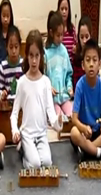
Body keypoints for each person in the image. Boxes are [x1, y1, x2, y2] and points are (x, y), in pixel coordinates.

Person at [11, 30, 63, 168]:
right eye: (31, 56)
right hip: (27, 134)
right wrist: (15, 131)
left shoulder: (46, 82)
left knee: (47, 163)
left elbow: (51, 114)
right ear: (26, 55)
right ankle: (23, 149)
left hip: (41, 134)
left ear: (41, 55)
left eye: (37, 56)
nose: (34, 61)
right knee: (34, 165)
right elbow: (14, 114)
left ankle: (31, 152)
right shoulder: (22, 82)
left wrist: (58, 123)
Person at [70, 38, 101, 161]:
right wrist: (83, 128)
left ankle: (87, 151)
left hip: (96, 132)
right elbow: (74, 118)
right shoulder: (80, 85)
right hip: (84, 132)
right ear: (83, 65)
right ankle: (99, 153)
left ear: (99, 65)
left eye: (94, 60)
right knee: (74, 133)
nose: (91, 64)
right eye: (88, 60)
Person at [45, 12, 73, 118]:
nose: (61, 38)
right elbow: (42, 77)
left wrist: (69, 87)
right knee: (59, 119)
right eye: (58, 35)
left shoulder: (64, 51)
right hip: (52, 100)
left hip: (64, 96)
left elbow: (68, 74)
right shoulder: (45, 53)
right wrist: (49, 88)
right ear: (51, 33)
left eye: (62, 35)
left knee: (71, 116)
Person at [0, 25, 23, 101]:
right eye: (11, 47)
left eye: (16, 47)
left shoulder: (24, 64)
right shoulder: (3, 66)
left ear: (20, 46)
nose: (14, 51)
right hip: (8, 106)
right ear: (6, 47)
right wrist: (2, 94)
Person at [72, 15, 92, 91]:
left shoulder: (94, 55)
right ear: (78, 37)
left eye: (87, 37)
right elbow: (75, 81)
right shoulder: (76, 57)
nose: (84, 41)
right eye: (82, 37)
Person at [57, 0, 76, 65]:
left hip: (70, 65)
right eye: (62, 9)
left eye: (66, 9)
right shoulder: (56, 29)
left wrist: (75, 49)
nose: (64, 12)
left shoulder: (72, 28)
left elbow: (76, 46)